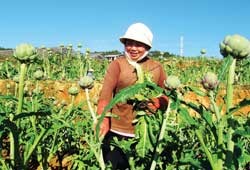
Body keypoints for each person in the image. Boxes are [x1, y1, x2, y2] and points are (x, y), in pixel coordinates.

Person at [96, 22, 168, 169]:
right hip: (116, 131)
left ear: (147, 47)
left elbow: (166, 96)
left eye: (139, 44)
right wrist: (103, 120)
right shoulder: (117, 64)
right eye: (130, 43)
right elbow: (106, 94)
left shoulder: (156, 67)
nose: (133, 48)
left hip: (144, 133)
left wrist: (157, 102)